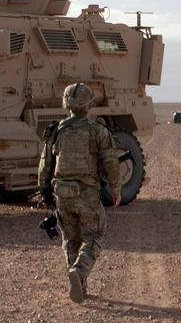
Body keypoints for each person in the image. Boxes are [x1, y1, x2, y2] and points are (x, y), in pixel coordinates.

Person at [37, 83, 120, 303]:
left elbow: (45, 163)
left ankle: (79, 286)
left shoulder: (56, 131)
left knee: (70, 240)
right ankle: (80, 272)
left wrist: (43, 187)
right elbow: (111, 163)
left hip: (62, 193)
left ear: (67, 104)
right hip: (86, 192)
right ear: (89, 105)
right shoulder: (97, 131)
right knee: (94, 236)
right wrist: (116, 189)